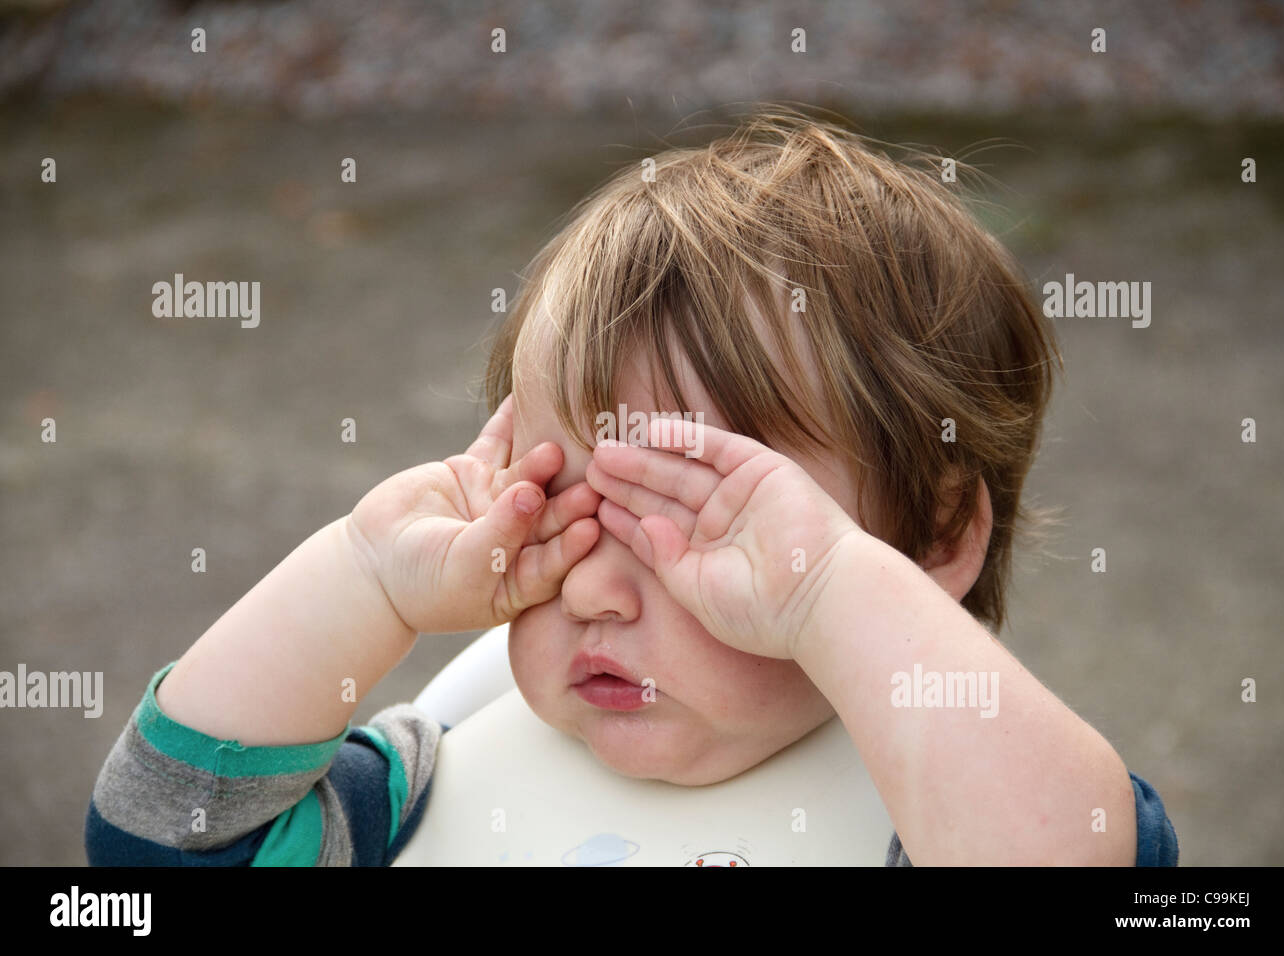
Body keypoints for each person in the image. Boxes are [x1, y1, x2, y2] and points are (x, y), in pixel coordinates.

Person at [86, 106, 1179, 866]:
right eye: (557, 502)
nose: (596, 590)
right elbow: (153, 843)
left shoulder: (940, 816)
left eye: (690, 513)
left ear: (933, 537)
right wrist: (370, 578)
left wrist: (828, 595)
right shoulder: (423, 786)